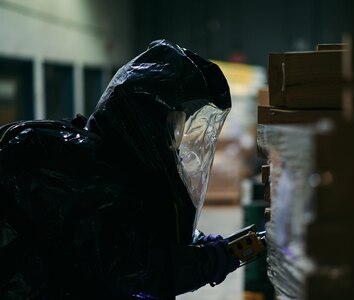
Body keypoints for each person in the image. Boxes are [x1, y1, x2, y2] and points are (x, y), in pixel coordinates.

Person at [0, 39, 240, 300]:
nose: (175, 138)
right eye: (172, 124)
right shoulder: (89, 175)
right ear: (147, 120)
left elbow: (129, 234)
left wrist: (194, 242)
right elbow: (134, 269)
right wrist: (206, 262)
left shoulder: (107, 160)